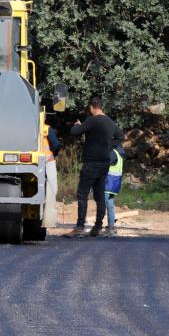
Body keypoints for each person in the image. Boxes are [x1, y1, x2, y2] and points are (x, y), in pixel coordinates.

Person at [65, 98, 124, 238]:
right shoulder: (110, 122)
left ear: (92, 107)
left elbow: (74, 132)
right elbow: (121, 136)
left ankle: (79, 227)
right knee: (99, 196)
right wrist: (109, 146)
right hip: (104, 163)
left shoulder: (91, 120)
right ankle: (97, 227)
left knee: (82, 194)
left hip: (91, 162)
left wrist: (77, 125)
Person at [104, 145, 125, 236]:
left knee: (102, 205)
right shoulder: (120, 153)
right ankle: (111, 227)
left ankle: (97, 227)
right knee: (110, 206)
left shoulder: (112, 153)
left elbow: (104, 166)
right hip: (115, 184)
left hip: (108, 183)